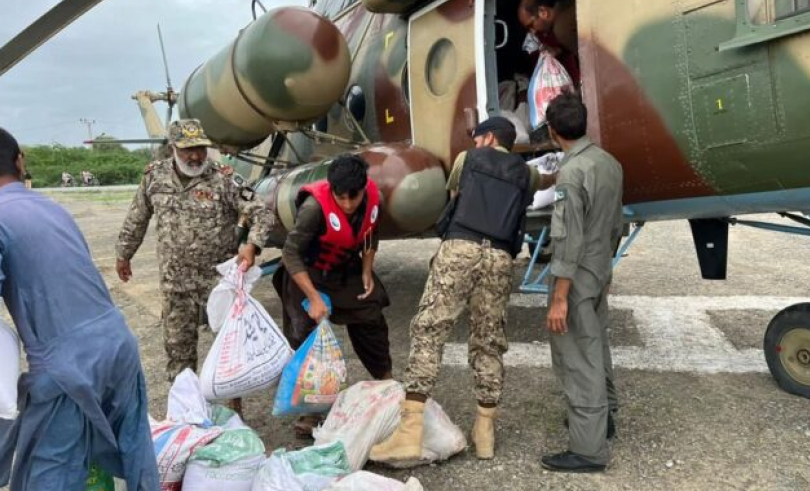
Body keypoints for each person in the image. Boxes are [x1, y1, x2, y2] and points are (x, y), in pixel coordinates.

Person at [0, 126, 159, 490]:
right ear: (20, 159)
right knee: (136, 449)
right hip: (119, 343)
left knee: (52, 470)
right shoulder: (54, 209)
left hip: (67, 366)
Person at [370, 117, 554, 462]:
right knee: (489, 340)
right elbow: (536, 185)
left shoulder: (467, 160)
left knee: (430, 330)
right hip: (499, 256)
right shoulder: (524, 172)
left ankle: (410, 432)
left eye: (476, 137)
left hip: (461, 247)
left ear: (486, 139)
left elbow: (456, 195)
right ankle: (485, 431)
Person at [115, 119, 271, 410]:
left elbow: (261, 212)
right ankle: (185, 412)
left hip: (218, 283)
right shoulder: (154, 177)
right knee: (178, 350)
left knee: (227, 348)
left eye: (200, 148)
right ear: (173, 148)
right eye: (188, 150)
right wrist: (124, 253)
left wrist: (252, 245)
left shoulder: (224, 178)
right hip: (176, 283)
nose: (196, 156)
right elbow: (137, 218)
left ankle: (233, 413)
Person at [272, 154, 392, 438]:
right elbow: (290, 253)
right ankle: (312, 408)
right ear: (332, 189)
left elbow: (371, 233)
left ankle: (386, 381)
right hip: (307, 272)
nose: (348, 204)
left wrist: (367, 268)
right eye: (342, 198)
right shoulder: (314, 208)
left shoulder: (373, 198)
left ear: (364, 188)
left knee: (370, 312)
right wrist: (313, 298)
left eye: (355, 197)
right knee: (307, 335)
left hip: (344, 268)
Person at [539, 94, 623, 473]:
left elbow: (567, 239)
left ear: (554, 132)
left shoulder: (571, 174)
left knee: (577, 357)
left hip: (576, 277)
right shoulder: (609, 163)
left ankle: (588, 450)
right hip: (599, 267)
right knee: (597, 346)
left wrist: (559, 297)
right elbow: (615, 225)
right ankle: (604, 420)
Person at [518, 0, 581, 90]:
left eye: (531, 25)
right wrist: (558, 51)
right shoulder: (563, 6)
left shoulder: (561, 28)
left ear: (543, 12)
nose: (533, 31)